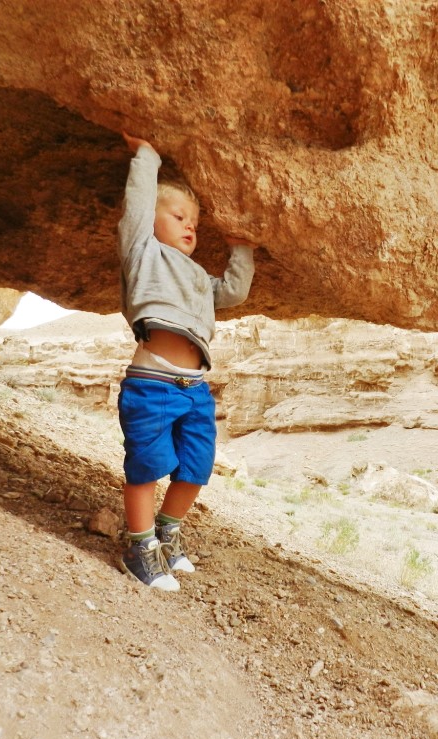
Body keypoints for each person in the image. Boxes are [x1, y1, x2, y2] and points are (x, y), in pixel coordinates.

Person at [117, 132, 255, 591]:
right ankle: (139, 548)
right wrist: (147, 157)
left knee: (197, 465)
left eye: (194, 222)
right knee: (145, 466)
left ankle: (166, 531)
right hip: (152, 383)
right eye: (178, 217)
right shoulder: (143, 252)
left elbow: (233, 291)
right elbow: (137, 209)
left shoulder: (199, 276)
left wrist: (242, 247)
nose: (190, 227)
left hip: (195, 387)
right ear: (152, 221)